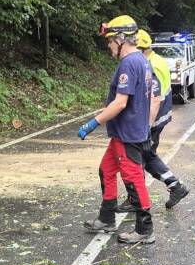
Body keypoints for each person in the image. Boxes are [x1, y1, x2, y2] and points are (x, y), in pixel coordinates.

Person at [77, 15, 155, 244]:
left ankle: (145, 229)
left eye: (110, 41)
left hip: (128, 134)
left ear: (121, 39)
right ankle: (107, 218)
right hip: (125, 132)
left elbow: (121, 103)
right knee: (106, 170)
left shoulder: (130, 63)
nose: (109, 46)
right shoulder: (142, 61)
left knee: (132, 179)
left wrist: (93, 122)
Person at [117, 30, 189, 210]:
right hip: (158, 117)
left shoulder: (151, 65)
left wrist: (147, 128)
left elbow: (155, 99)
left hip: (153, 119)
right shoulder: (157, 60)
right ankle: (173, 186)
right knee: (146, 156)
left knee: (139, 158)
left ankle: (138, 199)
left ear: (140, 48)